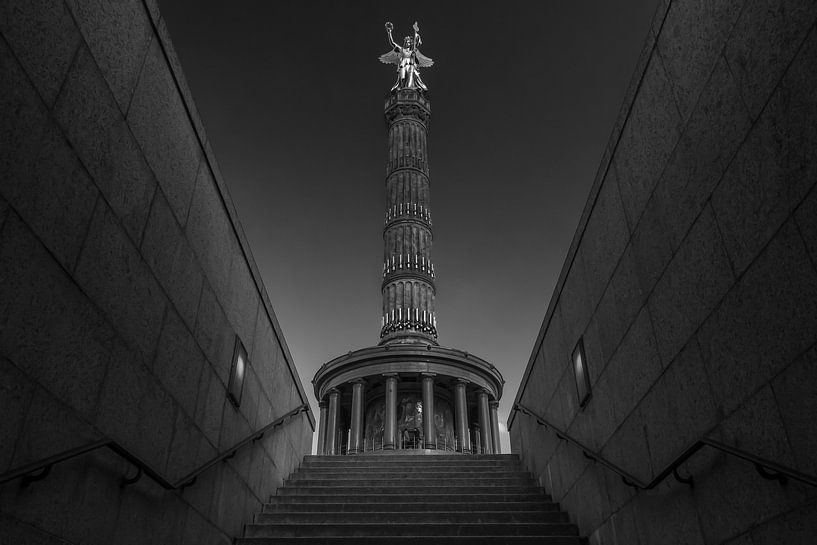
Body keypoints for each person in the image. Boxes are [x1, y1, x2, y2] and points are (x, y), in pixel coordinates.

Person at [379, 21, 434, 91]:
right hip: (403, 65)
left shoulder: (412, 51)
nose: (408, 43)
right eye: (407, 42)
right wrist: (389, 33)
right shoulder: (401, 49)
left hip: (411, 66)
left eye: (409, 42)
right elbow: (392, 43)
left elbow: (417, 56)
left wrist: (417, 37)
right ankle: (402, 89)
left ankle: (410, 89)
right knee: (402, 79)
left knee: (411, 78)